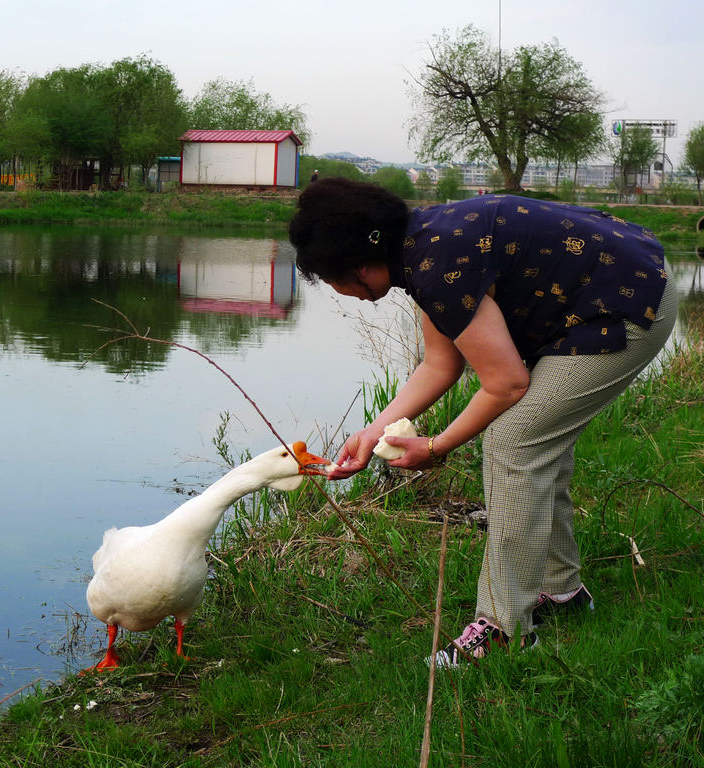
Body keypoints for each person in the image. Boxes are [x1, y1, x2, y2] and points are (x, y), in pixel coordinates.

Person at [289, 178, 676, 667]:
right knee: (533, 441)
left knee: (515, 442)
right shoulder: (421, 248)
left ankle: (503, 629)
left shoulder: (437, 266)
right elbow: (439, 364)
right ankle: (562, 594)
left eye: (332, 279)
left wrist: (435, 447)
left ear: (358, 266)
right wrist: (375, 429)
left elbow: (507, 383)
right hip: (618, 284)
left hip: (630, 303)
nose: (339, 292)